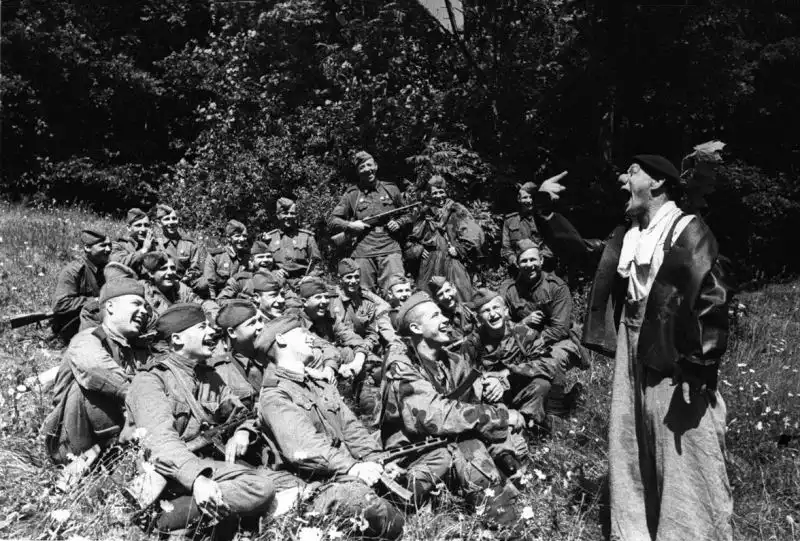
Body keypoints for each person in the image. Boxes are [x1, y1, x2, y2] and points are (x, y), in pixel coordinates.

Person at [536, 157, 732, 540]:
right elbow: (578, 250)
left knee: (681, 443)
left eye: (632, 171)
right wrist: (545, 211)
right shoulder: (627, 234)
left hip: (675, 348)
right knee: (631, 437)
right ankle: (636, 530)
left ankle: (691, 531)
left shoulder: (686, 229)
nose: (623, 180)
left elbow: (714, 294)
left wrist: (699, 361)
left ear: (658, 182)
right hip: (633, 341)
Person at [124, 303, 281, 535]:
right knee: (261, 488)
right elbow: (160, 442)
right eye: (202, 328)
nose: (211, 333)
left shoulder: (208, 376)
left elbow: (240, 414)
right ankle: (158, 520)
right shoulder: (150, 381)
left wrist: (243, 432)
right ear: (177, 340)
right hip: (165, 469)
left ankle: (184, 516)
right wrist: (197, 479)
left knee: (270, 482)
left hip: (203, 463)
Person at [379, 292, 525, 531]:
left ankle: (490, 496)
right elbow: (437, 417)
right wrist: (500, 417)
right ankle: (508, 529)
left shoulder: (451, 360)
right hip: (415, 451)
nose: (445, 319)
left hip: (446, 438)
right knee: (471, 449)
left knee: (513, 443)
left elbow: (474, 405)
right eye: (435, 315)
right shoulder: (401, 367)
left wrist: (501, 425)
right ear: (416, 328)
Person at [258, 315, 405, 540]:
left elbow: (352, 428)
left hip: (343, 470)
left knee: (416, 465)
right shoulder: (275, 395)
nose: (310, 339)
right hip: (311, 484)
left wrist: (377, 460)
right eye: (301, 333)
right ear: (281, 340)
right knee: (370, 506)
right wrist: (353, 468)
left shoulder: (317, 383)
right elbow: (304, 449)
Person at [42, 278, 150, 464]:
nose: (144, 311)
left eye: (146, 307)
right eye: (136, 304)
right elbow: (94, 368)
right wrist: (144, 396)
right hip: (70, 442)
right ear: (110, 307)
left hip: (115, 437)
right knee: (88, 387)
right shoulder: (88, 338)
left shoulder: (134, 349)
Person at [462, 288, 579, 429]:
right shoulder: (472, 342)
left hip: (516, 389)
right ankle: (504, 427)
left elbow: (548, 364)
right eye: (486, 311)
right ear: (479, 318)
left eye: (495, 308)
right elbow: (462, 375)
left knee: (542, 384)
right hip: (489, 394)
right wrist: (485, 381)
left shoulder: (524, 333)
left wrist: (507, 374)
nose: (492, 314)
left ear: (505, 311)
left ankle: (528, 423)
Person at [328, 151, 411, 292]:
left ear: (376, 166)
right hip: (362, 252)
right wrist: (351, 225)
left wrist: (398, 223)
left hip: (390, 249)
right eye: (362, 167)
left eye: (369, 165)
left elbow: (407, 214)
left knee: (398, 291)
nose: (367, 169)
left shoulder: (391, 189)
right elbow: (332, 220)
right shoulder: (352, 194)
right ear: (358, 172)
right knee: (364, 295)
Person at [329, 258, 399, 414]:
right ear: (340, 279)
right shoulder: (331, 300)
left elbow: (372, 333)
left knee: (386, 372)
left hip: (363, 350)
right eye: (349, 277)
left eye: (356, 277)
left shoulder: (366, 300)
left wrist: (364, 349)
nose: (353, 281)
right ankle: (360, 394)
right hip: (338, 350)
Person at [405, 175, 484, 303]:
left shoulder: (457, 210)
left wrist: (460, 249)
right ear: (430, 195)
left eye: (441, 192)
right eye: (434, 193)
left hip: (451, 259)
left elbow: (474, 233)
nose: (438, 196)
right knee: (427, 297)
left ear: (446, 192)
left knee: (460, 293)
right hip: (430, 261)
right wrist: (418, 249)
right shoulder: (424, 212)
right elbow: (411, 237)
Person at [296, 277, 371, 381]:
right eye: (318, 297)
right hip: (309, 368)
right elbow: (324, 346)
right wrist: (330, 369)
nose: (325, 301)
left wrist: (358, 361)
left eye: (326, 297)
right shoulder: (297, 322)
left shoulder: (328, 318)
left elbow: (351, 336)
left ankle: (356, 392)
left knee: (348, 352)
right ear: (305, 302)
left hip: (330, 361)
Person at [52, 229, 111, 341]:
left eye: (109, 245)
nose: (108, 249)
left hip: (97, 319)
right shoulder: (73, 271)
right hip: (75, 325)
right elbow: (60, 304)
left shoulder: (106, 268)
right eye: (103, 245)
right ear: (87, 248)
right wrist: (96, 300)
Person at [262, 197, 322, 287]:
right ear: (278, 215)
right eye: (285, 213)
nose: (289, 216)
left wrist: (310, 277)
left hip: (304, 282)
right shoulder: (269, 238)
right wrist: (274, 272)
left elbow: (317, 263)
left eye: (292, 213)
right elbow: (260, 264)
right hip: (277, 282)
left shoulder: (307, 237)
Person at [139, 252, 217, 318]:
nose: (170, 272)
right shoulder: (143, 291)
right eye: (163, 269)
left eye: (172, 268)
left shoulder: (179, 287)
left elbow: (200, 303)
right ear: (151, 273)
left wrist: (214, 312)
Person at [500, 181, 554, 272]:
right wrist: (514, 260)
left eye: (531, 197)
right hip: (518, 269)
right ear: (519, 199)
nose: (529, 201)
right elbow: (506, 248)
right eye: (525, 197)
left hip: (543, 268)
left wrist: (539, 258)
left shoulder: (544, 219)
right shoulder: (509, 221)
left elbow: (552, 244)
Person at [154, 204, 206, 295]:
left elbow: (195, 268)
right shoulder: (156, 245)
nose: (171, 223)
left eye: (174, 219)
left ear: (178, 220)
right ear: (159, 223)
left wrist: (186, 279)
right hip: (164, 283)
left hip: (185, 283)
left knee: (203, 283)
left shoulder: (189, 244)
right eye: (167, 219)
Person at [216, 240, 281, 303]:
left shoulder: (279, 277)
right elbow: (221, 300)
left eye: (269, 256)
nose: (266, 260)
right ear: (251, 260)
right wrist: (246, 302)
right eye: (260, 257)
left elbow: (289, 301)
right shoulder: (240, 280)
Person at [204, 219, 249, 300]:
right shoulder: (216, 256)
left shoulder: (247, 257)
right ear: (228, 238)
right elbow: (209, 284)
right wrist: (213, 303)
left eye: (244, 236)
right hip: (219, 299)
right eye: (237, 236)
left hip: (240, 299)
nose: (242, 239)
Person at [427, 276, 477, 342]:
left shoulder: (469, 309)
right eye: (440, 294)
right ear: (435, 298)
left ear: (454, 289)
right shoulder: (435, 321)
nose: (446, 296)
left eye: (447, 290)